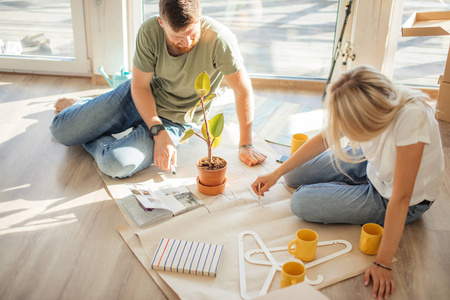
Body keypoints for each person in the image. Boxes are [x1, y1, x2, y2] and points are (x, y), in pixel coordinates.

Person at [251, 65, 444, 300]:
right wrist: (277, 173)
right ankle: (349, 190)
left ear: (367, 123)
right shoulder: (373, 97)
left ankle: (353, 192)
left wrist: (382, 263)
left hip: (401, 198)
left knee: (301, 202)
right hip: (373, 166)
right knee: (292, 175)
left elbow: (401, 197)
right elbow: (325, 138)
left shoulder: (413, 119)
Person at [50, 0, 266, 179]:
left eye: (192, 33)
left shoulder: (220, 40)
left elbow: (243, 90)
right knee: (61, 131)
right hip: (139, 97)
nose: (188, 42)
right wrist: (157, 131)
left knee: (116, 164)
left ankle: (89, 119)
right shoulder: (149, 31)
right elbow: (140, 85)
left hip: (176, 119)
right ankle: (82, 110)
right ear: (162, 23)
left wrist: (245, 143)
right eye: (178, 37)